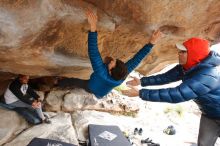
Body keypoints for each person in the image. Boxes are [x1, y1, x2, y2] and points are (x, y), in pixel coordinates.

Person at [122, 37, 220, 146]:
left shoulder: (207, 75)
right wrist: (141, 81)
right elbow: (165, 77)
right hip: (209, 115)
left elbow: (177, 94)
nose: (179, 54)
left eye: (183, 52)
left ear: (194, 54)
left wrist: (141, 93)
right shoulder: (187, 67)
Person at [57, 9, 163, 98]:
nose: (112, 60)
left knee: (73, 81)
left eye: (112, 63)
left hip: (90, 86)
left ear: (110, 71)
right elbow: (137, 59)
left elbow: (93, 51)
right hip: (101, 94)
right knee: (78, 83)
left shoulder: (100, 71)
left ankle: (58, 83)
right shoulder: (122, 75)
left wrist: (93, 26)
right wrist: (151, 43)